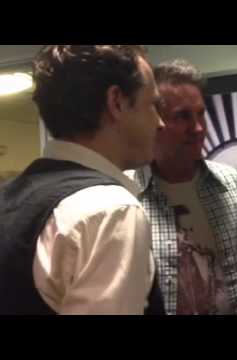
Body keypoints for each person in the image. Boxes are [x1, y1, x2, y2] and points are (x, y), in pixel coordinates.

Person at [0, 45, 165, 315]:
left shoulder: (10, 197)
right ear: (117, 102)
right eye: (152, 105)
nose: (160, 123)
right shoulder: (109, 211)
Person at [130, 59, 237, 315]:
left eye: (201, 113)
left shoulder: (232, 183)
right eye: (183, 116)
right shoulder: (127, 194)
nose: (198, 128)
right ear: (155, 121)